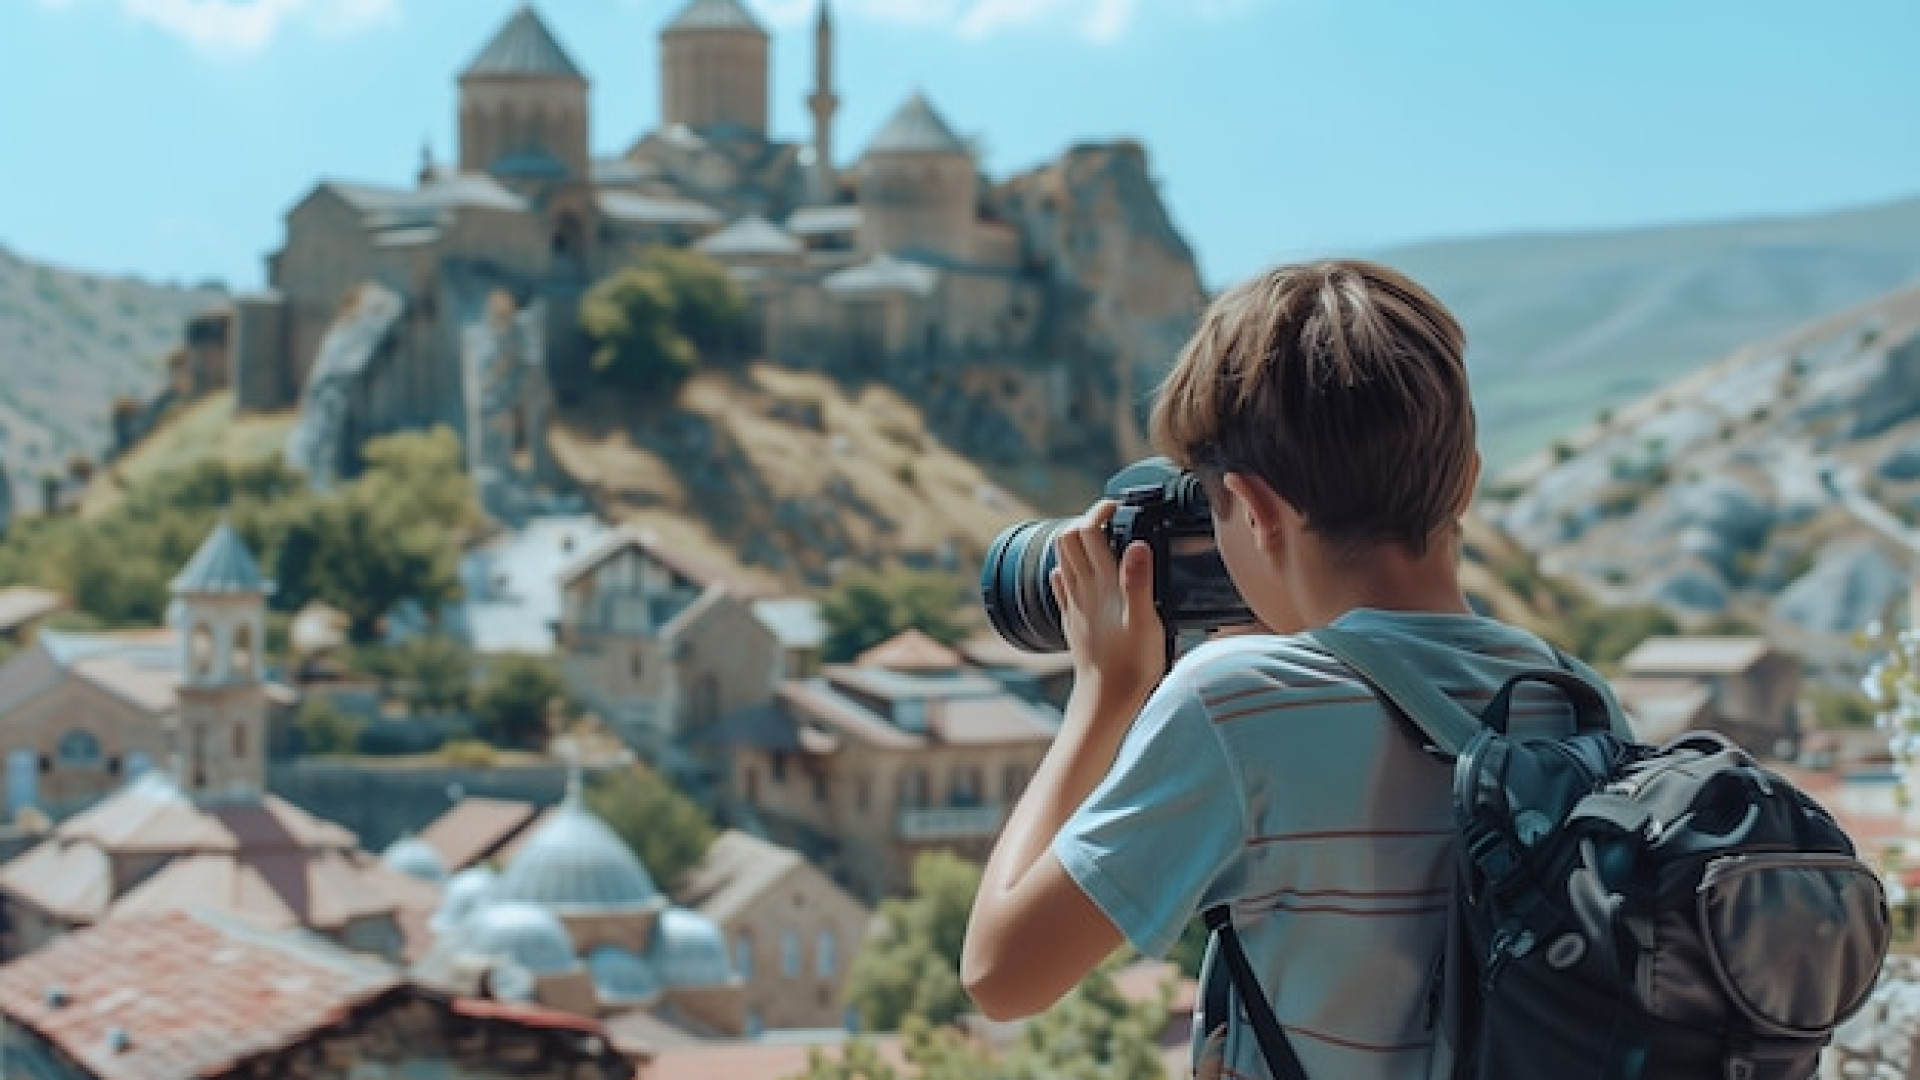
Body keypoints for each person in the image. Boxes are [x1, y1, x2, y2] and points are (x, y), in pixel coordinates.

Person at [961, 259, 1581, 1080]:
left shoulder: (1237, 706)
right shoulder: (1570, 695)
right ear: (1466, 482)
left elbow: (1002, 974)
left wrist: (1105, 694)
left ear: (1253, 511)